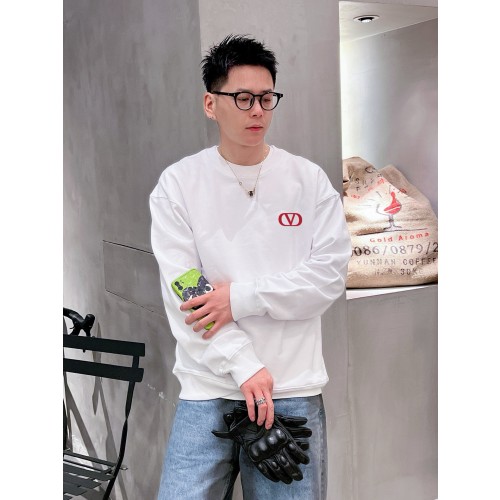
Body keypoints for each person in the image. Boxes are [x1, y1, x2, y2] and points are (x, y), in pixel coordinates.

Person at [150, 34, 352, 500]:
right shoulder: (179, 185)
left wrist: (239, 298)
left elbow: (328, 277)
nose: (257, 110)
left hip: (291, 390)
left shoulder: (308, 181)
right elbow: (188, 290)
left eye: (266, 98)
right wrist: (244, 365)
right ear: (211, 104)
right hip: (208, 387)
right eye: (242, 98)